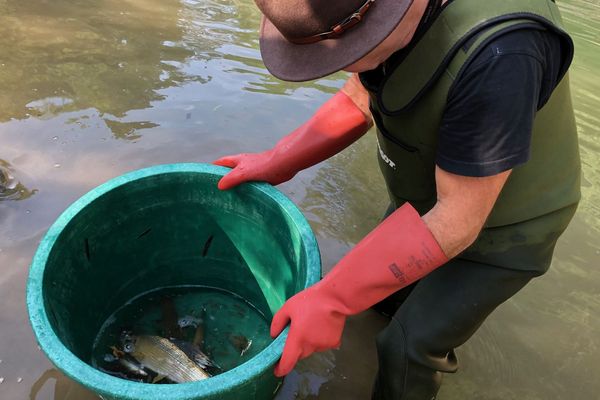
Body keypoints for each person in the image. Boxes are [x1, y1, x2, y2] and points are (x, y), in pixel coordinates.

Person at [213, 0, 581, 398]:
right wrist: (279, 160)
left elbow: (457, 220)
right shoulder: (384, 20)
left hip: (504, 230)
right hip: (426, 196)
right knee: (377, 302)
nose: (345, 67)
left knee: (408, 345)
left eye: (354, 48)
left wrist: (332, 299)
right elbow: (359, 99)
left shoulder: (501, 58)